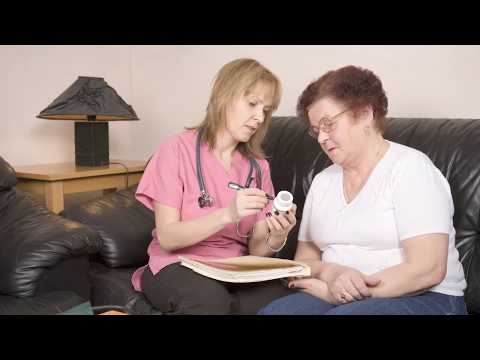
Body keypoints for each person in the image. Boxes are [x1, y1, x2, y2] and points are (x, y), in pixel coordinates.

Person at [258, 65, 468, 315]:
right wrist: (331, 274)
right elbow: (305, 260)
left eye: (329, 124)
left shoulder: (411, 169)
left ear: (365, 114)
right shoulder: (323, 181)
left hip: (428, 297)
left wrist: (338, 296)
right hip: (340, 293)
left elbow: (428, 269)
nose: (322, 138)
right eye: (316, 131)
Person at [131, 58, 297, 314]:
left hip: (235, 268)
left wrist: (277, 235)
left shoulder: (258, 166)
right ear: (224, 96)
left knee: (281, 301)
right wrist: (227, 215)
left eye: (266, 110)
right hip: (178, 263)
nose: (259, 118)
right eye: (252, 104)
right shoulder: (176, 150)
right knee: (210, 302)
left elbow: (256, 249)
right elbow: (167, 237)